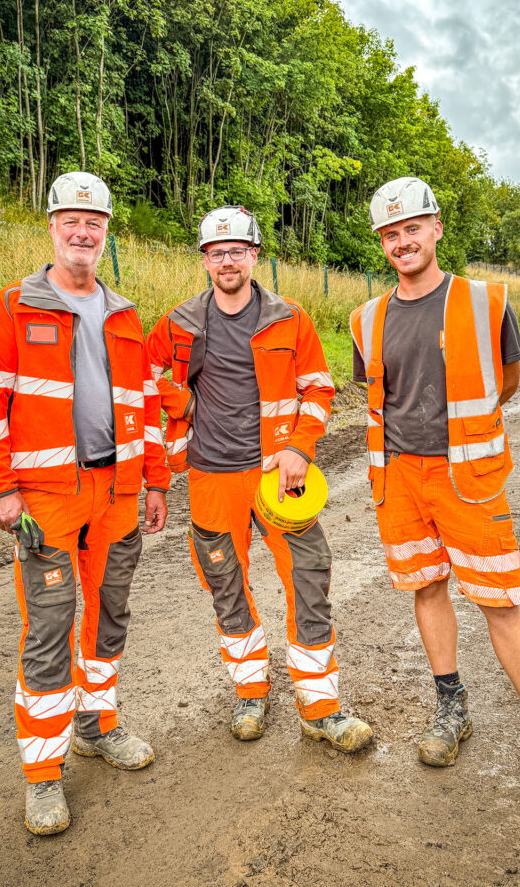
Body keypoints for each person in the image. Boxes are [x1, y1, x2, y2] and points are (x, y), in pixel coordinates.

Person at [349, 176, 520, 805]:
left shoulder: (485, 302)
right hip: (399, 479)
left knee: (500, 601)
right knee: (427, 588)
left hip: (468, 480)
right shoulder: (365, 319)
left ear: (435, 229)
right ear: (382, 243)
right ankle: (451, 707)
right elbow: (376, 396)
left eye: (412, 228)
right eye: (390, 234)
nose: (402, 242)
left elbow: (506, 382)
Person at [0, 171, 170, 835]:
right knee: (49, 632)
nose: (83, 232)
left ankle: (97, 727)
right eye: (71, 221)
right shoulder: (13, 307)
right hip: (46, 501)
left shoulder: (124, 314)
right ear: (52, 226)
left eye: (95, 222)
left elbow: (146, 406)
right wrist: (0, 486)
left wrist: (157, 481)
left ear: (106, 231)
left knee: (107, 619)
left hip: (117, 493)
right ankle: (43, 774)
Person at [147, 206, 372, 753]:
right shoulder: (179, 322)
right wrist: (179, 402)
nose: (227, 261)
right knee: (225, 585)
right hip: (211, 476)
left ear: (254, 256)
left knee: (309, 576)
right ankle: (250, 692)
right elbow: (140, 377)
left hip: (278, 476)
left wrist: (299, 447)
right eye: (216, 253)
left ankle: (319, 706)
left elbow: (318, 388)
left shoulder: (288, 318)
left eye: (236, 251)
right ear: (205, 260)